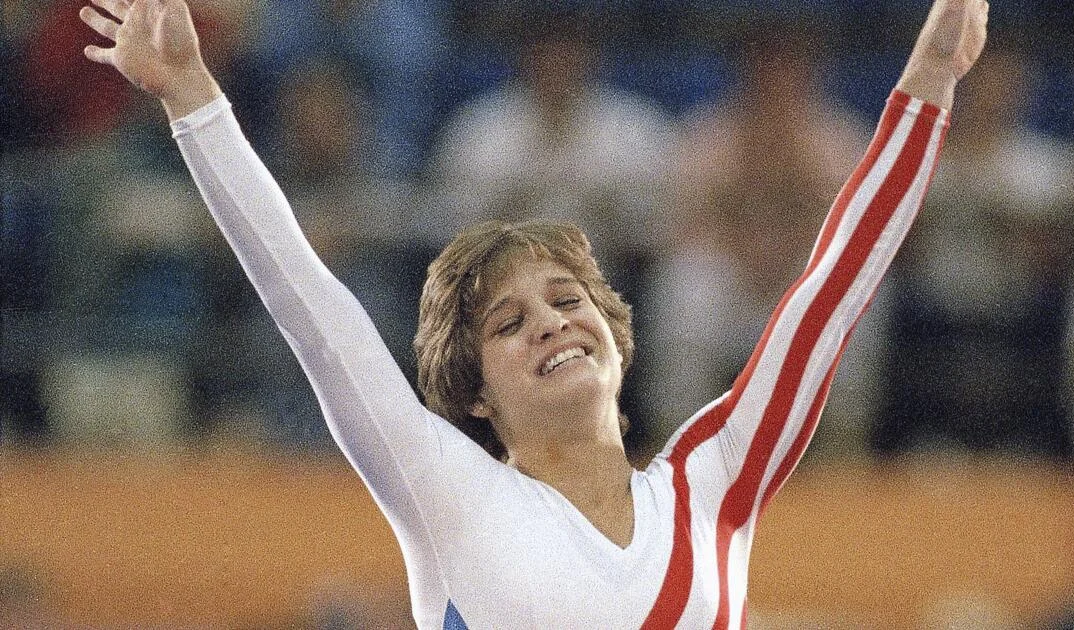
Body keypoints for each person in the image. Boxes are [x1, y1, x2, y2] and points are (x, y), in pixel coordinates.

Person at [79, 0, 987, 627]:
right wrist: (192, 97)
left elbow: (835, 286)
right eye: (509, 324)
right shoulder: (446, 490)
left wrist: (933, 76)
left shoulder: (710, 484)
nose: (552, 324)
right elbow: (305, 300)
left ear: (617, 340)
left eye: (566, 300)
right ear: (474, 392)